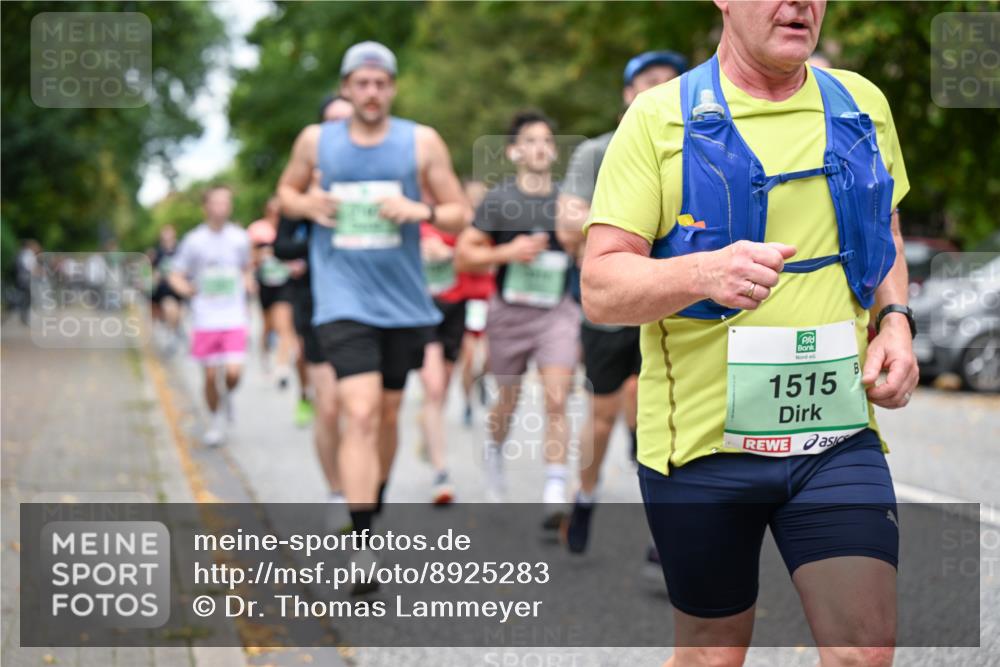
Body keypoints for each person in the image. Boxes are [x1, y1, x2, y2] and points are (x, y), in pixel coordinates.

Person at [582, 1, 914, 664]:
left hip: (834, 435)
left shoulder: (862, 103)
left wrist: (895, 321)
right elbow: (600, 287)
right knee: (712, 653)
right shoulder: (657, 118)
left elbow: (888, 232)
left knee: (865, 651)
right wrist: (701, 272)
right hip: (703, 447)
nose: (799, 4)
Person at [277, 41, 470, 569]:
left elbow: (458, 213)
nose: (371, 92)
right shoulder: (316, 141)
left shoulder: (420, 142)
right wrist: (308, 203)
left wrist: (419, 208)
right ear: (346, 88)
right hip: (341, 295)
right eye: (361, 83)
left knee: (386, 413)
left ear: (392, 88)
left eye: (381, 83)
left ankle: (372, 501)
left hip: (404, 301)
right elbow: (286, 195)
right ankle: (362, 544)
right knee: (357, 412)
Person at [557, 50, 687, 554]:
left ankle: (670, 531)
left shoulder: (698, 147)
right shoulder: (596, 152)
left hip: (676, 303)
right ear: (627, 95)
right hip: (615, 304)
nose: (660, 90)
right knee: (606, 412)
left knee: (669, 412)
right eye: (648, 81)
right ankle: (585, 497)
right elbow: (568, 228)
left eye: (671, 83)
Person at [455, 110, 579, 526]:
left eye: (547, 141)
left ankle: (555, 487)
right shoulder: (499, 200)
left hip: (557, 311)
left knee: (558, 396)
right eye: (530, 140)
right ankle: (493, 452)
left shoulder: (568, 199)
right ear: (513, 151)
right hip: (509, 312)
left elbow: (590, 249)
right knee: (506, 402)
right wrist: (509, 252)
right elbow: (465, 255)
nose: (540, 147)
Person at [273, 93, 354, 511]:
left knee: (364, 408)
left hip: (366, 306)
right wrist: (310, 249)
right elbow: (281, 247)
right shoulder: (300, 196)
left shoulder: (370, 187)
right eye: (333, 123)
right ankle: (337, 491)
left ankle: (363, 489)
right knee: (329, 407)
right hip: (317, 306)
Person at [169, 185, 254, 448]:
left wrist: (249, 282)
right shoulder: (194, 240)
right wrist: (187, 290)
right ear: (206, 206)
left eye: (225, 202)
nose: (220, 208)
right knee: (208, 376)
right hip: (205, 317)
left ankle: (227, 397)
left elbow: (247, 267)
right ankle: (216, 421)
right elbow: (176, 274)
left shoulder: (240, 238)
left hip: (233, 316)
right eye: (215, 203)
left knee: (232, 373)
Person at [247, 197, 300, 390]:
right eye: (273, 211)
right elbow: (249, 257)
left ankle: (282, 368)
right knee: (267, 326)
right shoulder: (258, 229)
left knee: (284, 326)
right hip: (264, 283)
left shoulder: (289, 230)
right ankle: (265, 358)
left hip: (284, 284)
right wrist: (261, 256)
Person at [150, 226, 184, 354]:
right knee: (169, 309)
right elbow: (153, 271)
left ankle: (175, 333)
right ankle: (171, 337)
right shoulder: (158, 253)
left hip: (179, 289)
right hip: (165, 289)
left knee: (177, 315)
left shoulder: (181, 250)